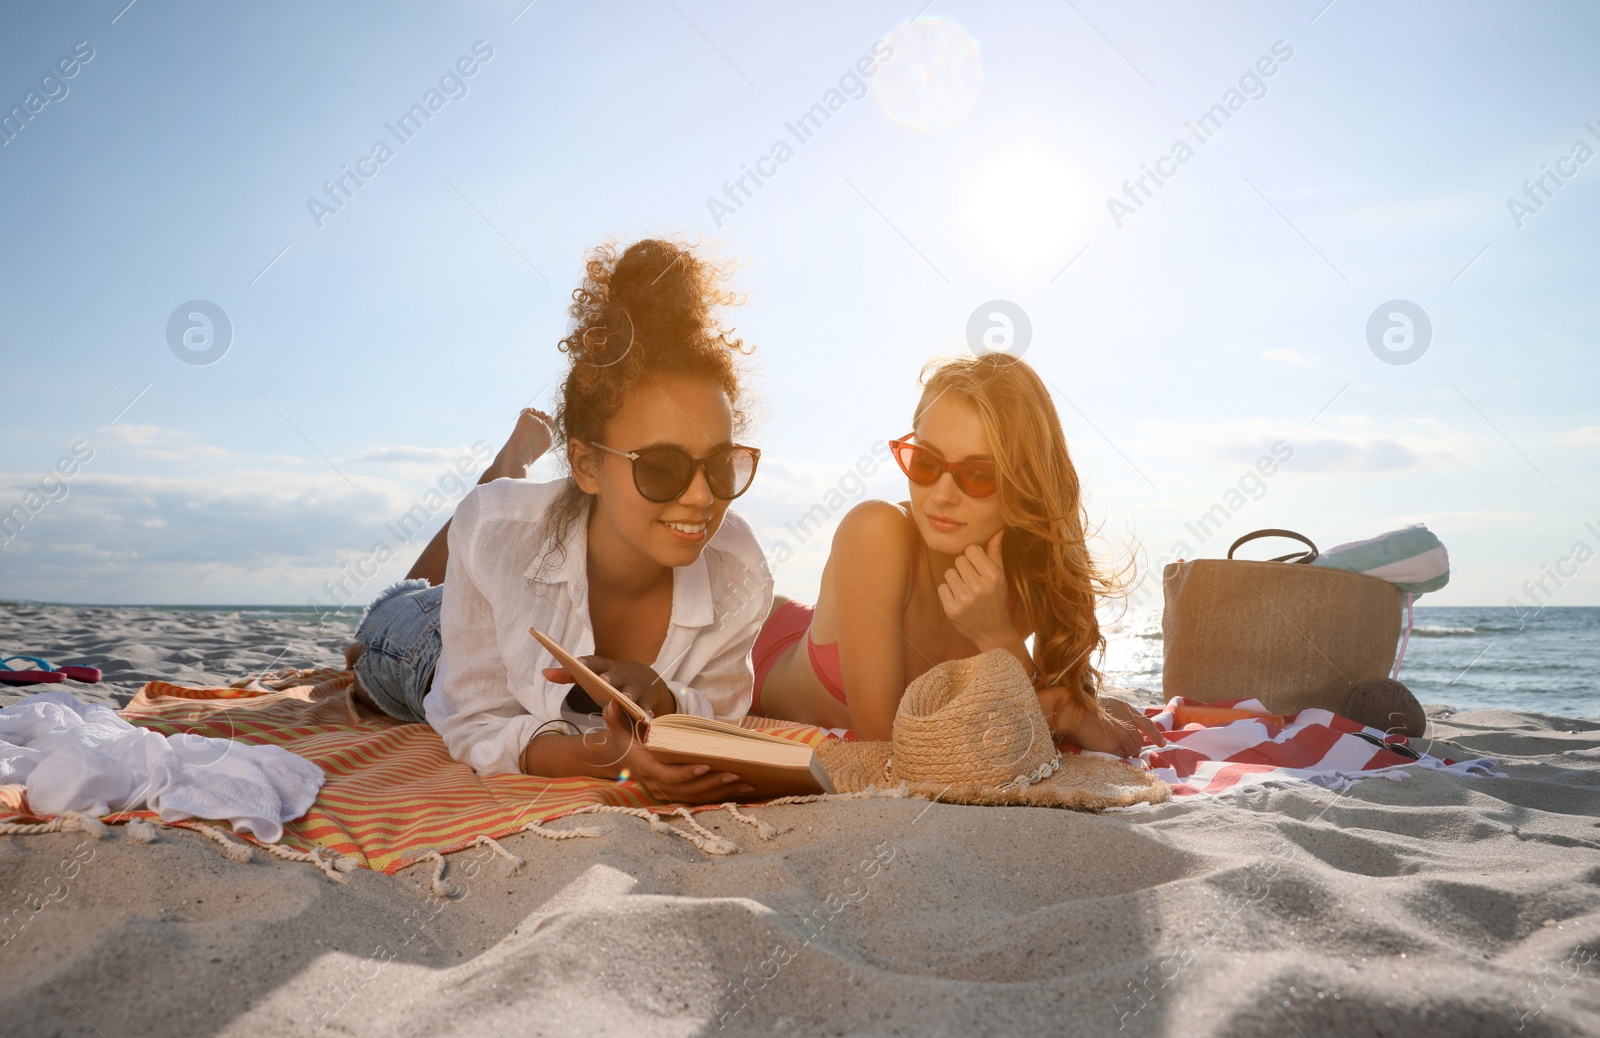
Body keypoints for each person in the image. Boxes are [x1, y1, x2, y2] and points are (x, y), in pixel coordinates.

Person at [344, 238, 771, 803]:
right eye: (663, 468)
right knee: (372, 644)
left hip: (509, 557)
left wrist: (666, 700)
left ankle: (509, 469)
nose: (700, 497)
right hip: (427, 642)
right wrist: (602, 756)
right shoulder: (498, 529)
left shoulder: (739, 567)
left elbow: (722, 712)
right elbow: (473, 723)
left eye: (720, 465)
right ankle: (506, 471)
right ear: (587, 465)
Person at [751, 352, 1158, 756]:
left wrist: (999, 635)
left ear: (1026, 481)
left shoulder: (1035, 570)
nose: (941, 496)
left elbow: (1045, 696)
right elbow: (882, 743)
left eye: (978, 474)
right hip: (757, 637)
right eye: (926, 463)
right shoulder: (875, 531)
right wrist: (1061, 711)